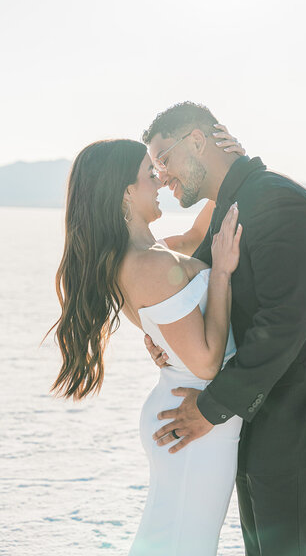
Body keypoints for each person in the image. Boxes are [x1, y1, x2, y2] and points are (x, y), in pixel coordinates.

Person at [143, 101, 306, 556]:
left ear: (197, 140)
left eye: (164, 160)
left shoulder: (276, 201)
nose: (163, 177)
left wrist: (210, 408)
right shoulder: (233, 204)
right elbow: (203, 288)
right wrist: (165, 338)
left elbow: (284, 323)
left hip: (303, 424)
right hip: (266, 422)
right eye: (153, 169)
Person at [44, 131, 248, 556]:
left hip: (184, 409)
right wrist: (223, 274)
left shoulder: (147, 254)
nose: (160, 182)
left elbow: (197, 233)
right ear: (124, 193)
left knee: (171, 541)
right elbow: (209, 363)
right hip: (194, 420)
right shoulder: (152, 265)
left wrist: (230, 164)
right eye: (149, 175)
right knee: (184, 546)